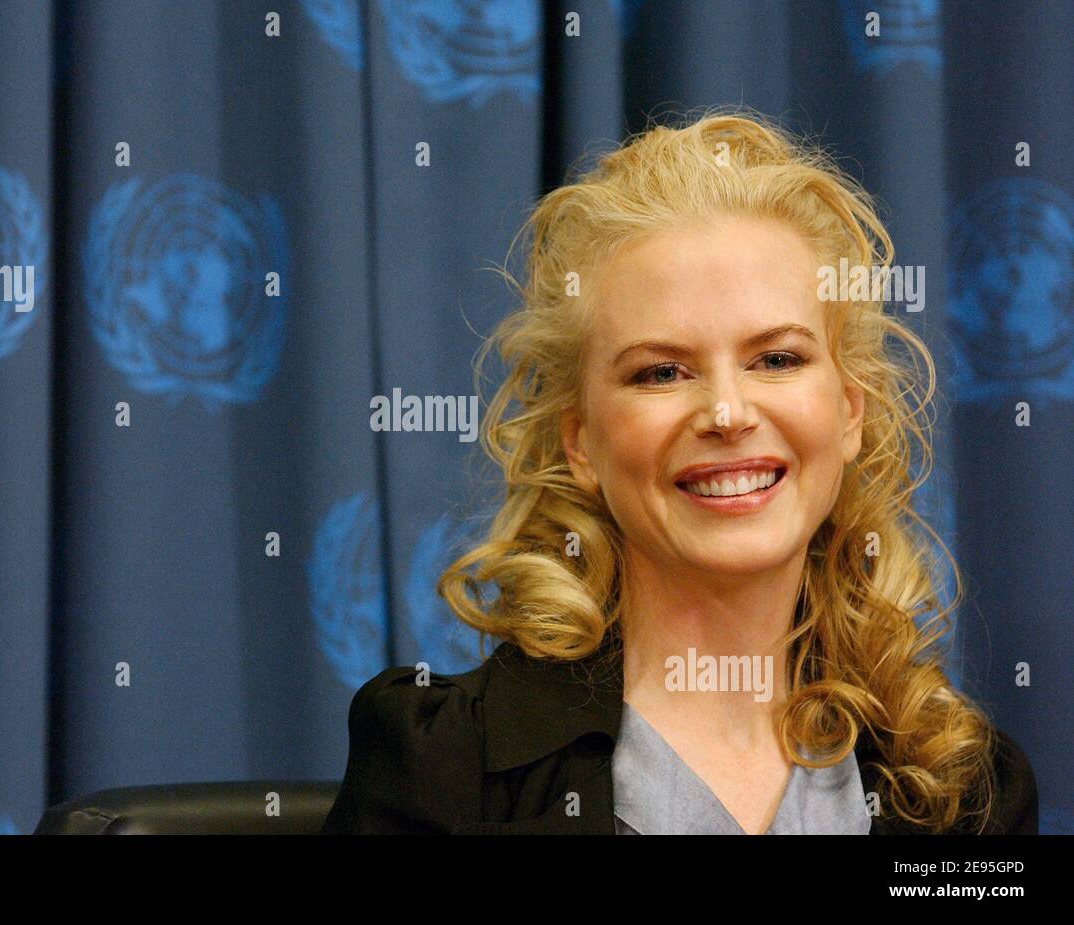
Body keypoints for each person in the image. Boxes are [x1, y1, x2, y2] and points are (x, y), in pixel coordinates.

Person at [321, 111, 1038, 835]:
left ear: (849, 412)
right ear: (581, 444)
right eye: (660, 372)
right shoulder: (441, 767)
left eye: (778, 359)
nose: (727, 412)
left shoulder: (963, 791)